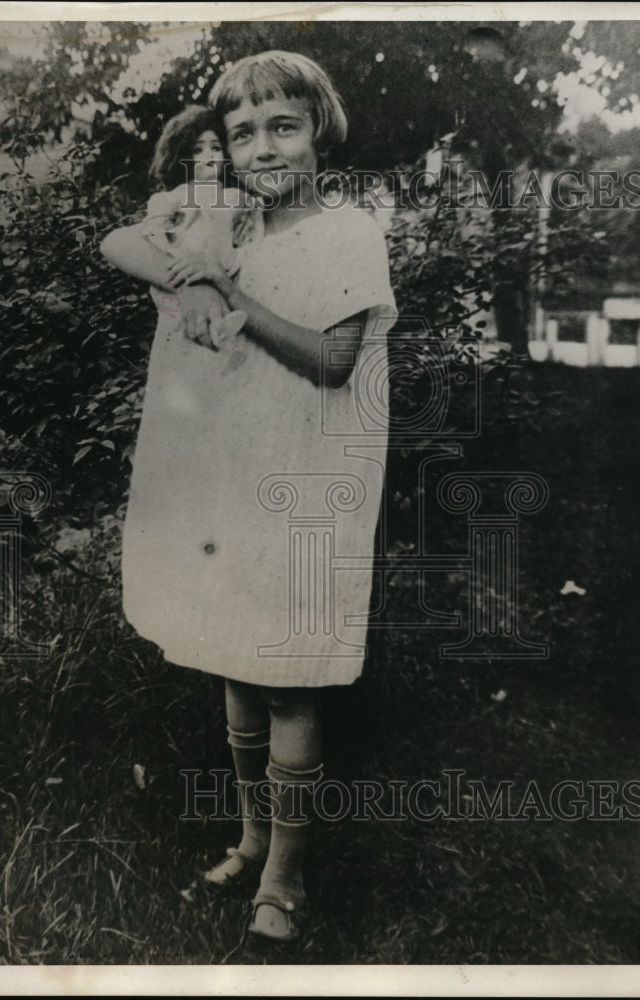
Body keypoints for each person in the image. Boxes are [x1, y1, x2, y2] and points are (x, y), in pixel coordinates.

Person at [100, 50, 397, 944]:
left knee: (292, 680)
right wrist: (184, 274)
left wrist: (216, 284)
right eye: (242, 134)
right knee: (238, 665)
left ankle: (285, 876)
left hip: (309, 483)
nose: (263, 148)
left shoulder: (349, 233)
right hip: (236, 473)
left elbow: (332, 360)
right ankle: (249, 833)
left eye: (282, 126)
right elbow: (116, 241)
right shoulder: (229, 227)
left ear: (317, 131)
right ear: (224, 148)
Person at [140, 105, 258, 349]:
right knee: (190, 316)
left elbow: (252, 217)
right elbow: (154, 229)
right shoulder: (176, 197)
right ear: (182, 154)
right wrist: (171, 253)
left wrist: (249, 218)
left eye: (216, 148)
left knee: (229, 297)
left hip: (226, 261)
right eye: (198, 150)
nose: (209, 156)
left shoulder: (236, 195)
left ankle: (223, 332)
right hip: (188, 262)